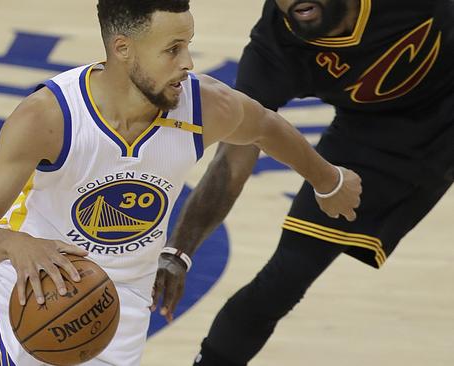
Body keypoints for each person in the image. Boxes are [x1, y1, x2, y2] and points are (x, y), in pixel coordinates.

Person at [0, 0, 362, 365]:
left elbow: (266, 127)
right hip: (24, 304)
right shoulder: (49, 118)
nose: (188, 63)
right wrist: (14, 244)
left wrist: (328, 180)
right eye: (172, 50)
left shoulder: (203, 107)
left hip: (119, 313)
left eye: (188, 45)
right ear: (123, 49)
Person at [150, 0, 454, 365]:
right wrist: (178, 253)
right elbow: (232, 158)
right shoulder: (276, 46)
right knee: (282, 280)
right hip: (371, 139)